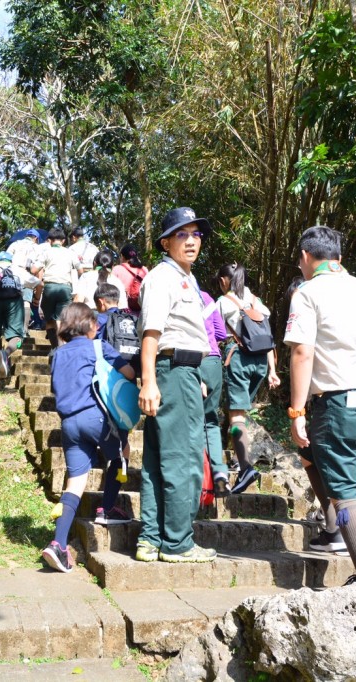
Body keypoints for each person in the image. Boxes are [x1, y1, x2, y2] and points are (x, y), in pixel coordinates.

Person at [284, 225, 356, 591]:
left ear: (306, 256)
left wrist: (297, 411)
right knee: (314, 456)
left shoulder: (308, 292)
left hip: (339, 403)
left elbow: (302, 352)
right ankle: (335, 529)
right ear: (339, 257)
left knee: (347, 492)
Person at [135, 206, 217, 564]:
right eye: (182, 235)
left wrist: (192, 375)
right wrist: (149, 382)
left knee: (158, 460)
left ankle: (151, 540)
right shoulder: (164, 277)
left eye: (196, 234)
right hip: (171, 371)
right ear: (165, 242)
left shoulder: (185, 277)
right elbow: (152, 333)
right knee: (184, 459)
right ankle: (178, 543)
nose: (191, 241)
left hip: (182, 372)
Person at [41, 302, 135, 572]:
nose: (98, 327)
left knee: (76, 482)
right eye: (95, 323)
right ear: (88, 325)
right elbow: (128, 373)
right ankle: (106, 509)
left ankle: (57, 544)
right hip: (96, 418)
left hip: (69, 424)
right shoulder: (97, 347)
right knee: (121, 452)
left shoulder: (58, 354)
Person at [216, 263, 280, 494]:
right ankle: (237, 457)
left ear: (224, 281)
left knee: (236, 417)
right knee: (239, 412)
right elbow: (268, 338)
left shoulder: (223, 302)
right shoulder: (256, 301)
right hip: (261, 364)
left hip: (239, 361)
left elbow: (212, 332)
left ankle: (245, 468)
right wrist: (273, 371)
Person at [201, 288, 231, 496]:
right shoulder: (206, 297)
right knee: (210, 420)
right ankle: (219, 471)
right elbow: (221, 333)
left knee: (189, 420)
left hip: (188, 360)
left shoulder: (172, 291)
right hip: (213, 360)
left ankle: (198, 478)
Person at [33, 228, 80, 348]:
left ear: (49, 240)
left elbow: (34, 270)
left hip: (49, 288)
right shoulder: (70, 253)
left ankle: (54, 347)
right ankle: (62, 347)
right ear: (63, 240)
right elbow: (80, 270)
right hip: (65, 288)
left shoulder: (45, 253)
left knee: (49, 320)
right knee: (61, 320)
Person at [6, 229, 43, 335]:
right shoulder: (38, 248)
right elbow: (38, 267)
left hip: (12, 274)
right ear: (36, 238)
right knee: (26, 302)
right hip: (27, 275)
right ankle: (24, 329)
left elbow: (7, 257)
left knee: (11, 301)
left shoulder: (15, 244)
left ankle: (11, 329)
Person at [114, 244, 149, 312]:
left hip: (123, 311)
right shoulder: (144, 270)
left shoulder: (117, 269)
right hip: (141, 308)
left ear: (122, 256)